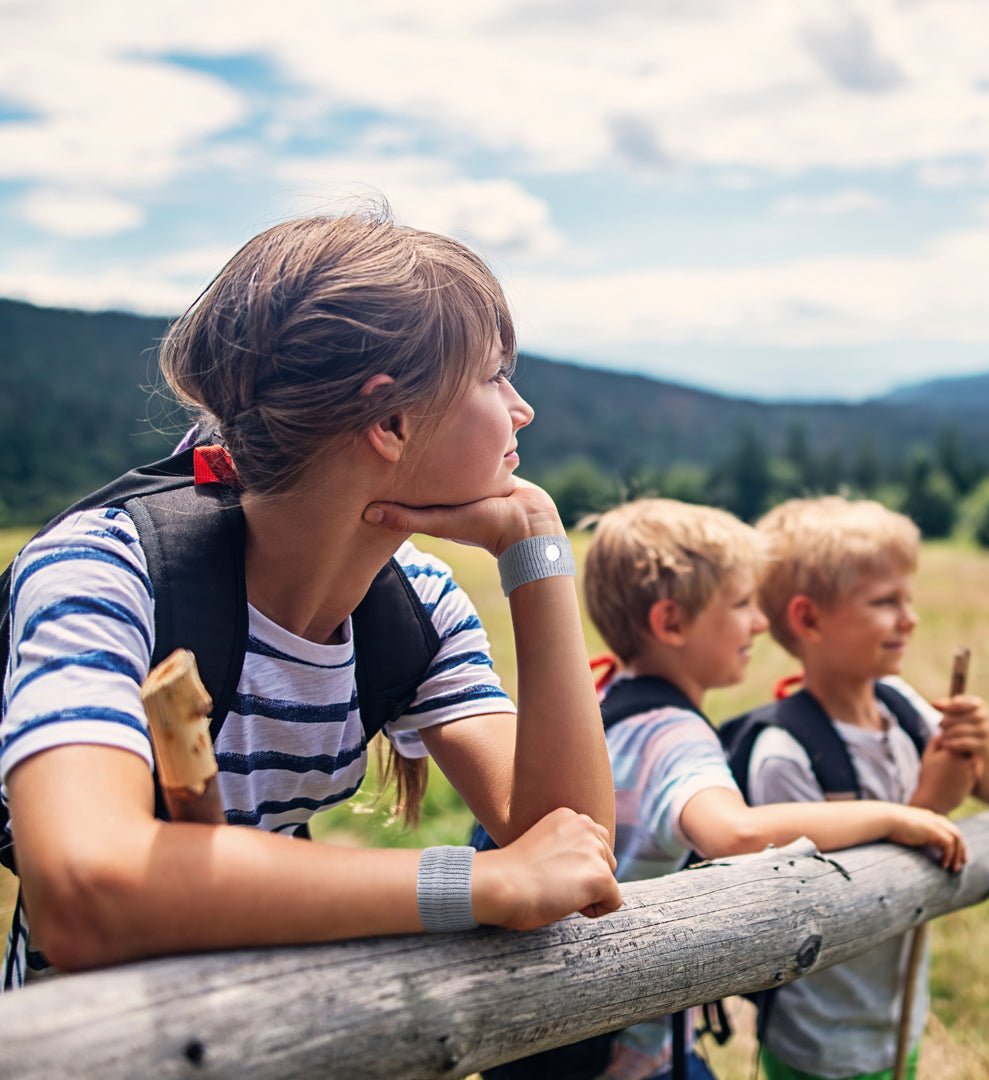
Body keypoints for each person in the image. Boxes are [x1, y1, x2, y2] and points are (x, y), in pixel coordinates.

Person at [0, 208, 621, 990]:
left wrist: (536, 546)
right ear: (391, 420)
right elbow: (84, 892)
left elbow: (571, 848)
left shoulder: (418, 606)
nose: (521, 408)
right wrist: (476, 882)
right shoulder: (103, 572)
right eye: (494, 376)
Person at [566, 498, 967, 1080]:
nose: (759, 623)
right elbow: (734, 833)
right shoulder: (674, 735)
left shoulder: (601, 703)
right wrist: (896, 817)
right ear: (671, 624)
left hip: (570, 1036)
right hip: (633, 1060)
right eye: (741, 604)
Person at [749, 496, 989, 1080]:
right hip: (820, 1043)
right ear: (808, 620)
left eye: (908, 598)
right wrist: (930, 806)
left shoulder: (903, 708)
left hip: (897, 1020)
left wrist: (988, 740)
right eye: (885, 602)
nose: (910, 619)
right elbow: (825, 907)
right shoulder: (787, 753)